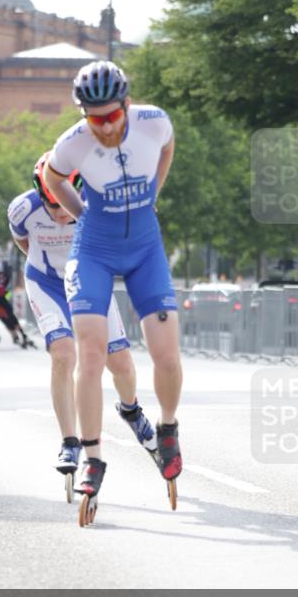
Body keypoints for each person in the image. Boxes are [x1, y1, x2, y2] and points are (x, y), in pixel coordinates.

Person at [44, 60, 183, 504]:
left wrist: (154, 193)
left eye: (111, 116)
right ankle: (93, 457)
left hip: (144, 248)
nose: (104, 127)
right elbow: (52, 176)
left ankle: (167, 426)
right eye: (94, 118)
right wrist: (82, 214)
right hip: (95, 251)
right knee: (90, 353)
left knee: (166, 354)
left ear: (126, 104)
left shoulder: (154, 122)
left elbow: (167, 147)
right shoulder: (73, 142)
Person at [8, 153, 156, 478]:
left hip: (89, 281)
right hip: (46, 283)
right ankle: (69, 441)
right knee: (63, 354)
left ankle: (131, 409)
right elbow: (23, 242)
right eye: (53, 207)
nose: (61, 214)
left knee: (120, 364)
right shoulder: (22, 209)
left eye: (65, 206)